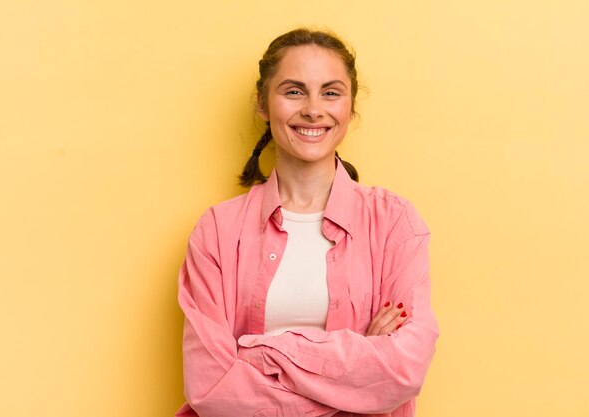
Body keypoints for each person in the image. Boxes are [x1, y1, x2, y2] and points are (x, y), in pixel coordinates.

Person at [175, 28, 439, 417]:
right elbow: (212, 388)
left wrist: (260, 351)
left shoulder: (394, 223)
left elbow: (402, 370)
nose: (314, 109)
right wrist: (356, 367)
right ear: (263, 104)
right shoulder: (217, 231)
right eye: (294, 91)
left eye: (331, 92)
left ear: (350, 106)